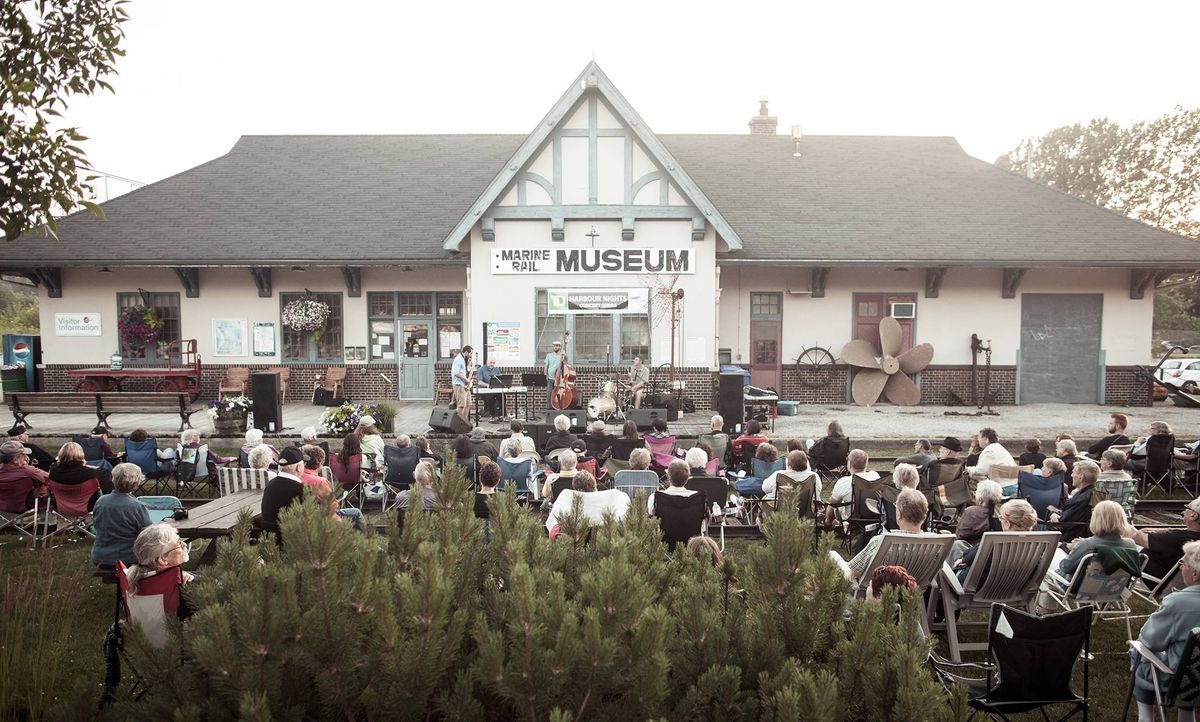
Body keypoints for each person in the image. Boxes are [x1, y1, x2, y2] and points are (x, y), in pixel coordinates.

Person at [1130, 541, 1200, 722]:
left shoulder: (1178, 602)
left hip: (1179, 680)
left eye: (1182, 563)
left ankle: (1145, 717)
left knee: (1137, 652)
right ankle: (1186, 715)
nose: (1181, 567)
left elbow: (1150, 641)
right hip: (1195, 679)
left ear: (1195, 573)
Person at [1038, 500, 1140, 614]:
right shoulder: (1131, 545)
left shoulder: (1088, 545)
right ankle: (1095, 605)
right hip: (1113, 590)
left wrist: (1075, 549)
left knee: (1053, 556)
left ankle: (1045, 610)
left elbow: (1066, 567)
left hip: (1079, 589)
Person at [845, 488, 930, 582]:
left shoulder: (880, 542)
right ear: (924, 516)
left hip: (878, 594)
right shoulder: (936, 544)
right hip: (915, 594)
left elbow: (851, 572)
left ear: (899, 515)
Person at [953, 499, 1039, 582]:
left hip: (977, 590)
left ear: (1007, 523)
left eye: (1001, 518)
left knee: (954, 555)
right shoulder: (1037, 546)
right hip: (1014, 591)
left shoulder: (995, 544)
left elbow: (968, 554)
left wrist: (965, 560)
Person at [126, 523, 196, 623]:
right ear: (163, 559)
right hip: (177, 636)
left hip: (142, 636)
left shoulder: (134, 579)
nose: (184, 545)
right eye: (179, 544)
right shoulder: (183, 586)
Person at [91, 462, 153, 567]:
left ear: (113, 479)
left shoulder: (101, 501)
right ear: (137, 483)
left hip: (100, 557)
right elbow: (149, 534)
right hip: (127, 559)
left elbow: (96, 523)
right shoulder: (137, 506)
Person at [545, 470, 630, 537]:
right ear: (595, 485)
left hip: (575, 542)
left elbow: (553, 524)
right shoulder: (615, 496)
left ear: (574, 487)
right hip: (608, 540)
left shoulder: (566, 498)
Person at [1134, 498, 1200, 579]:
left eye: (1187, 508)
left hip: (1145, 580)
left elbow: (1137, 537)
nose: (1184, 511)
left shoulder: (1176, 538)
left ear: (1193, 515)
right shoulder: (1193, 536)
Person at [260, 447, 308, 544]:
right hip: (293, 543)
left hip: (270, 541)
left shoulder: (270, 485)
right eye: (304, 464)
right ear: (299, 468)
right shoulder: (300, 489)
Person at [825, 449, 880, 525]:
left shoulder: (843, 482)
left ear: (849, 464)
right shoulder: (875, 476)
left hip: (852, 518)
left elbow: (833, 504)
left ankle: (828, 523)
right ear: (866, 463)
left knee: (832, 503)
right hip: (874, 514)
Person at [1050, 459, 1100, 543]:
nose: (1071, 475)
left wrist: (1054, 516)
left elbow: (1062, 523)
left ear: (1081, 477)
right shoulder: (1099, 494)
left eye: (1073, 472)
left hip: (1072, 539)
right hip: (1092, 536)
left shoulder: (1080, 499)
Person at [49, 441, 111, 508]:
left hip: (60, 507)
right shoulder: (90, 474)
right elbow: (106, 474)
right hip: (88, 507)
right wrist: (88, 467)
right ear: (81, 455)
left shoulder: (53, 471)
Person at [0, 438, 50, 513]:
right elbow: (53, 480)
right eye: (23, 455)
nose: (26, 457)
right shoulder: (28, 471)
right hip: (27, 509)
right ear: (16, 459)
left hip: (3, 509)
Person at [956, 479, 1004, 545]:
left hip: (974, 550)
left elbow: (960, 535)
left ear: (980, 500)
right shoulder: (1002, 513)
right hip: (996, 549)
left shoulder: (972, 512)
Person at [1097, 448, 1137, 517]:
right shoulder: (1128, 478)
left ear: (1109, 463)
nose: (1100, 461)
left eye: (1102, 459)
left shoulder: (1099, 479)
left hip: (1102, 513)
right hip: (1122, 513)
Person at [452, 344, 474, 423]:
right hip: (459, 385)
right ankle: (457, 423)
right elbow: (456, 373)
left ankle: (464, 423)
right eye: (471, 353)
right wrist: (466, 379)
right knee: (461, 405)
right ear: (466, 352)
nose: (471, 355)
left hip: (465, 386)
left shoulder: (464, 359)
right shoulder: (458, 359)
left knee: (468, 404)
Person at [544, 339, 566, 411]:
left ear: (559, 347)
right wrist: (545, 374)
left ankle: (558, 407)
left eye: (557, 346)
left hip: (559, 379)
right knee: (549, 394)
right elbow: (546, 365)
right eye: (554, 346)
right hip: (550, 378)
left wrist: (565, 356)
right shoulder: (549, 355)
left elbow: (566, 363)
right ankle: (549, 409)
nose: (555, 347)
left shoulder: (561, 355)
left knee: (559, 394)